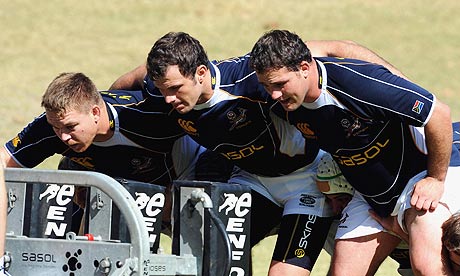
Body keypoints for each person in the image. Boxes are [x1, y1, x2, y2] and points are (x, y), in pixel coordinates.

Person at [111, 31, 407, 276]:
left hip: (306, 182)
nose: (168, 99)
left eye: (175, 88)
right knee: (206, 262)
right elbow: (123, 89)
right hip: (251, 181)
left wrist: (400, 84)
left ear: (201, 73)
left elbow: (339, 48)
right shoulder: (161, 88)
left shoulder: (251, 77)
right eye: (163, 90)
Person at [249, 29, 460, 275]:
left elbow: (438, 113)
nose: (273, 94)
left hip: (418, 179)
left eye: (280, 85)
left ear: (305, 67)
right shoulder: (282, 94)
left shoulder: (359, 85)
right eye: (266, 85)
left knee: (428, 269)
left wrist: (435, 178)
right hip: (373, 198)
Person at [0, 72, 213, 235]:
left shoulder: (146, 115)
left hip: (182, 181)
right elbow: (5, 161)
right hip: (120, 189)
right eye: (56, 127)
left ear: (95, 112)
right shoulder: (50, 128)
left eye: (70, 127)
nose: (62, 136)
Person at [317, 153, 413, 276]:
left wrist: (400, 231)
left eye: (342, 199)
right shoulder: (334, 223)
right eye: (329, 200)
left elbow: (436, 256)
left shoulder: (407, 202)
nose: (335, 209)